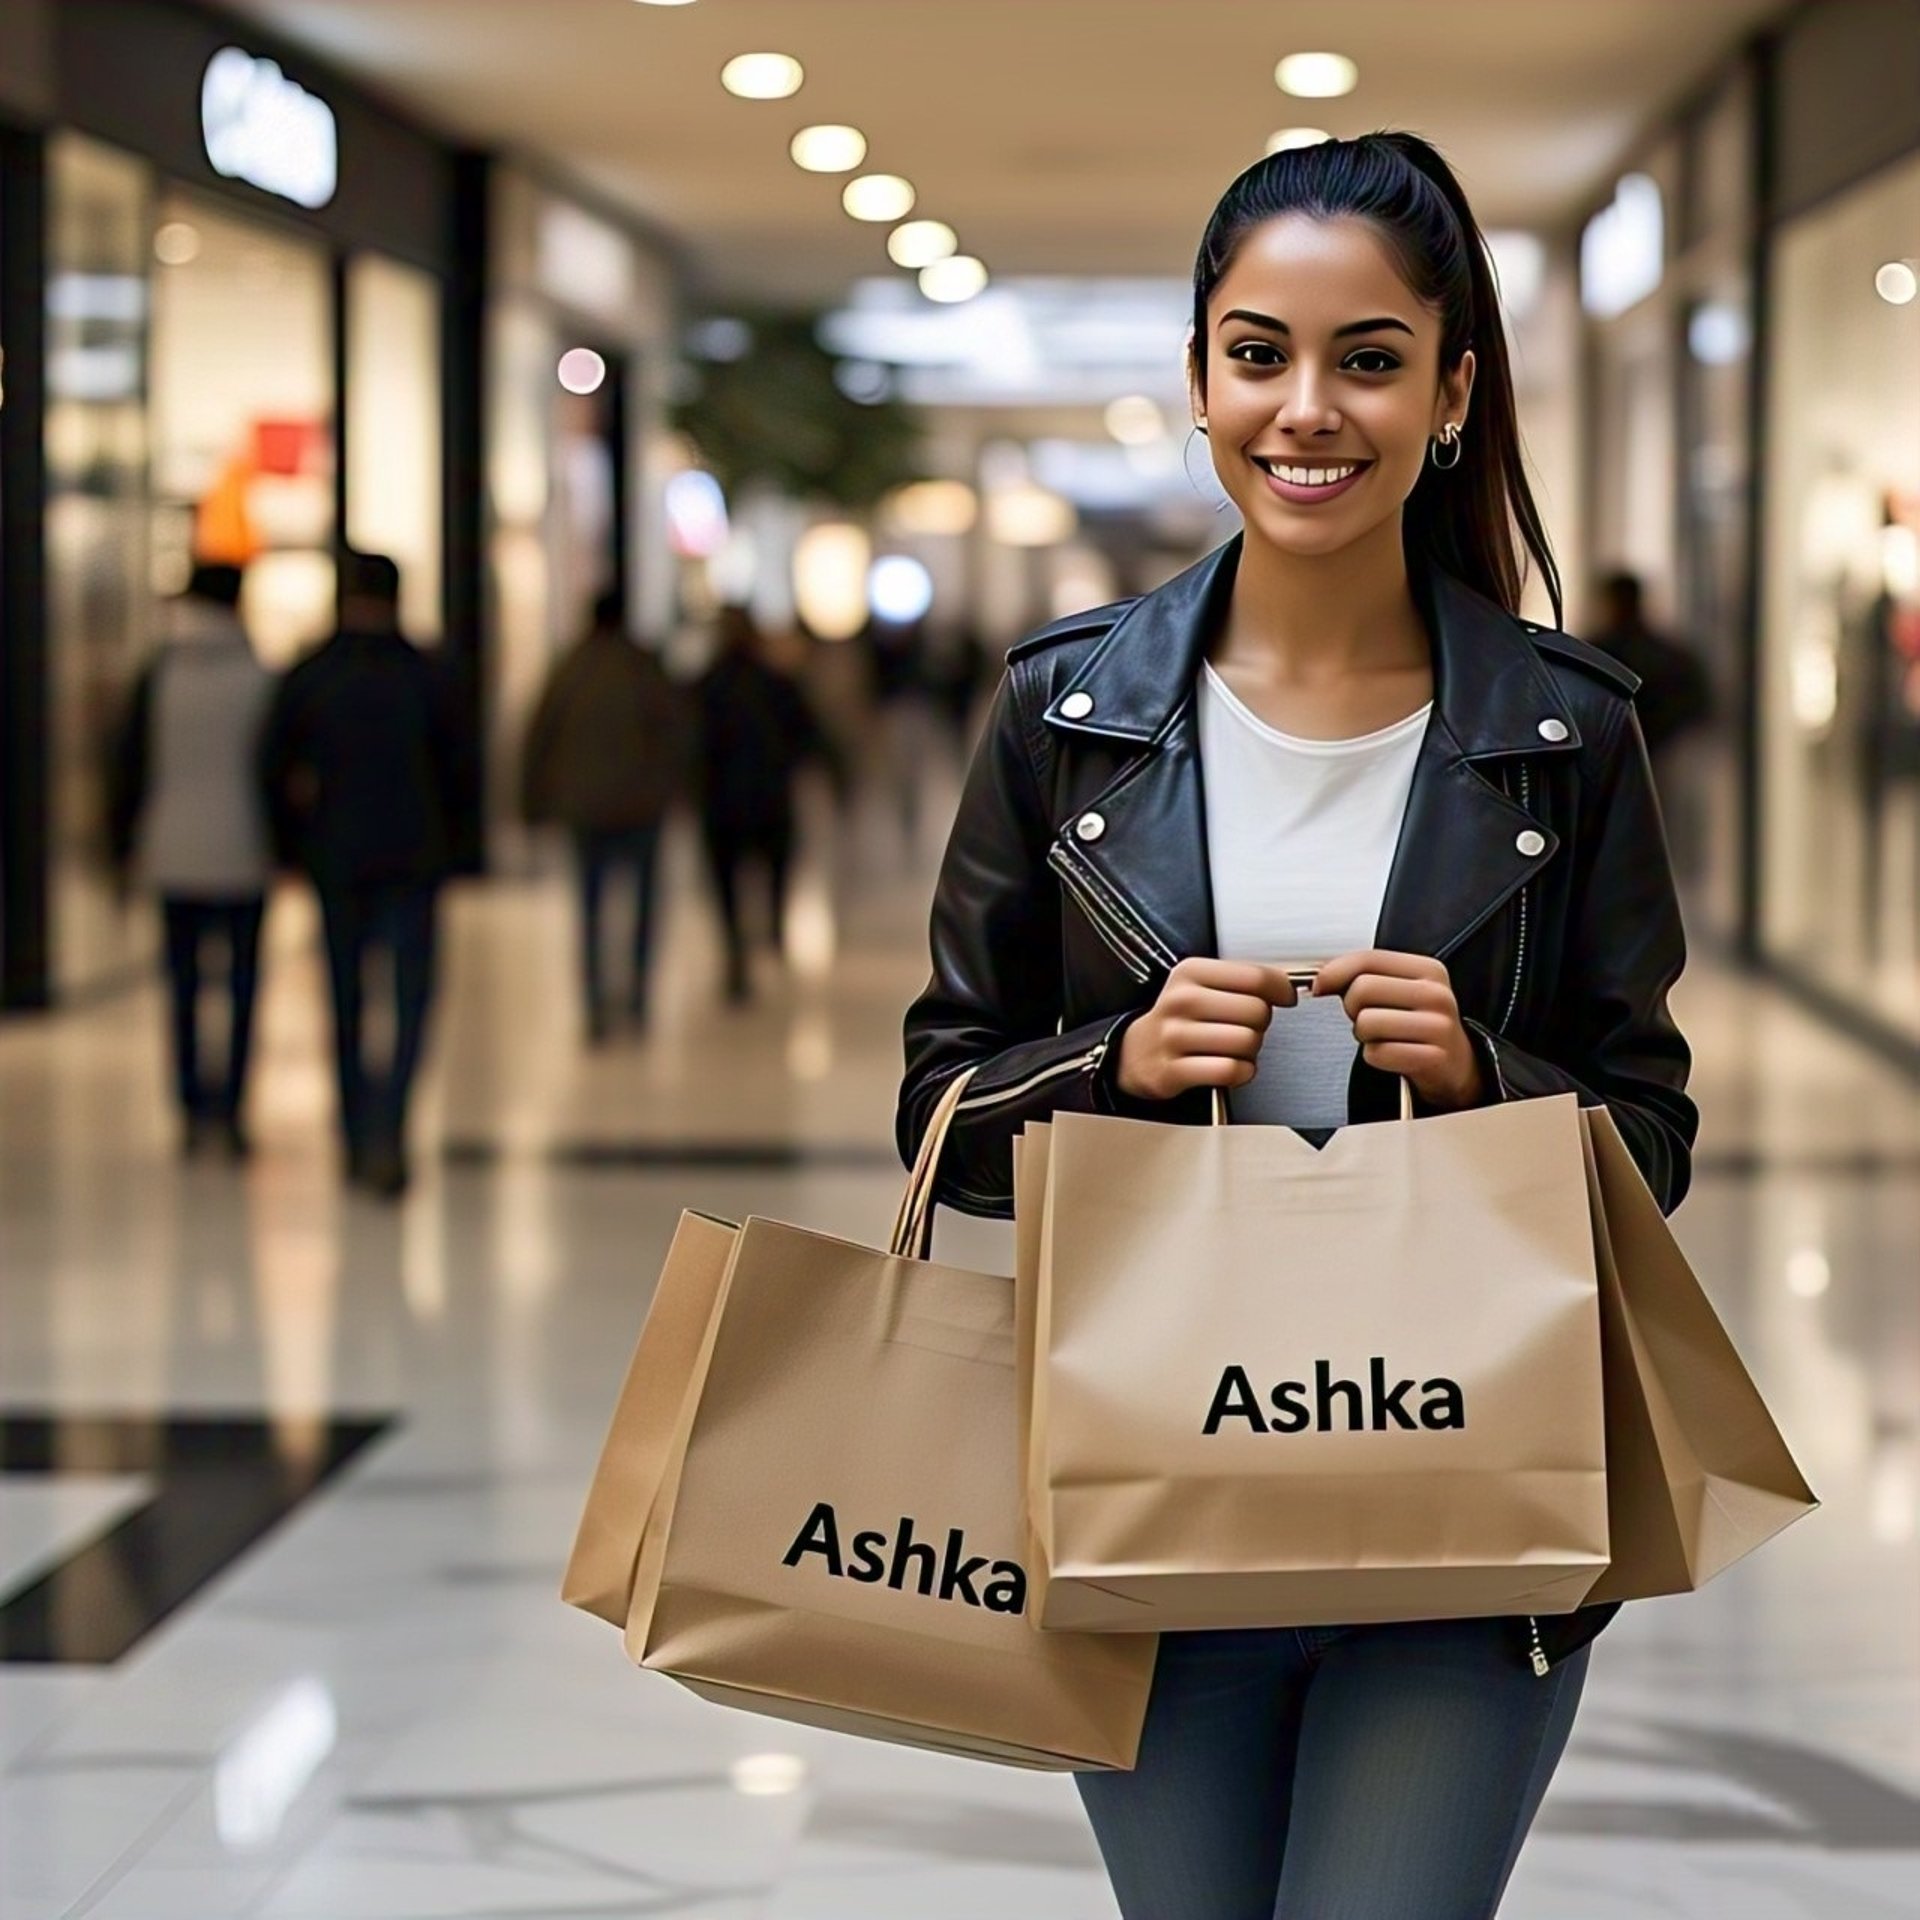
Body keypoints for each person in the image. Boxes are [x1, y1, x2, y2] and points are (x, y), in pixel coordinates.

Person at [898, 133, 1695, 1918]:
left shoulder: (1565, 735)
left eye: (1369, 357)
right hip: (1155, 1489)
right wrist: (1113, 1064)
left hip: (1473, 1508)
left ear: (1452, 391)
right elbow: (937, 1107)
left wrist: (1492, 1076)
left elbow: (1651, 1137)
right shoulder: (1068, 717)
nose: (1307, 410)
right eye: (1258, 354)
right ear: (1199, 380)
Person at [260, 551, 467, 1198]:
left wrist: (290, 847)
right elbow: (462, 772)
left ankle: (354, 1132)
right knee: (409, 1001)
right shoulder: (428, 673)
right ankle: (390, 1126)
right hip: (415, 857)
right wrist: (459, 850)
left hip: (338, 857)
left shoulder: (313, 674)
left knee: (346, 999)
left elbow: (272, 765)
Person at [107, 562, 274, 1159]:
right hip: (245, 854)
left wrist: (122, 850)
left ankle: (188, 1107)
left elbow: (127, 772)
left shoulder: (159, 675)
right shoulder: (261, 676)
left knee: (182, 988)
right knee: (241, 988)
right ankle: (230, 1109)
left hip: (171, 853)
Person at [521, 589, 688, 1041]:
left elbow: (540, 735)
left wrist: (532, 802)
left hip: (585, 808)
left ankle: (595, 1004)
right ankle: (636, 998)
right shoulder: (644, 668)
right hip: (640, 806)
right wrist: (675, 790)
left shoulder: (571, 669)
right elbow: (676, 733)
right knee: (643, 908)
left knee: (591, 910)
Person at [693, 605, 836, 1004]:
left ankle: (736, 950)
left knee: (726, 883)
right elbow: (807, 734)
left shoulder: (706, 685)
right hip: (769, 797)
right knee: (775, 869)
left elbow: (689, 745)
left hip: (720, 800)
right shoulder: (775, 681)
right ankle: (771, 932)